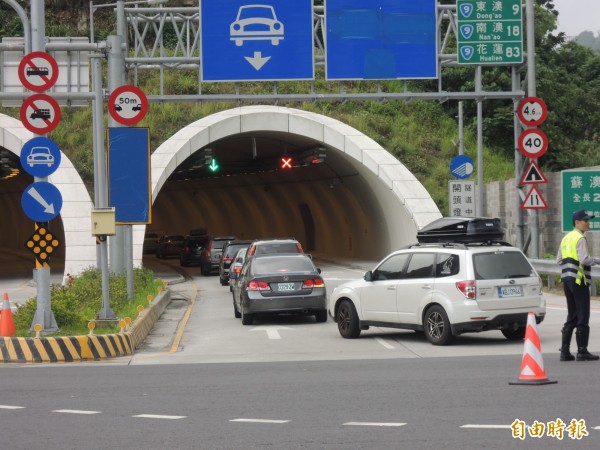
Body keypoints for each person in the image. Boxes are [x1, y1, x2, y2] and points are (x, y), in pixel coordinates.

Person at [556, 209, 600, 361]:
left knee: (572, 314)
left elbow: (559, 259)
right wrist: (597, 260)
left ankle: (565, 351)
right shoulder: (580, 238)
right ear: (577, 222)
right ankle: (582, 351)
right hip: (579, 281)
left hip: (567, 281)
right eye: (585, 220)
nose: (588, 223)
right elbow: (585, 260)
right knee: (582, 315)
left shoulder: (566, 237)